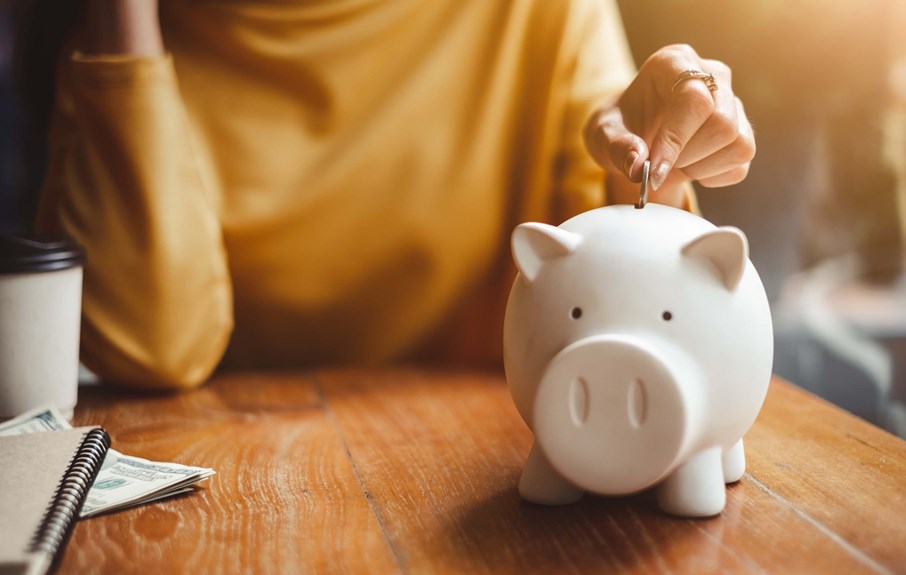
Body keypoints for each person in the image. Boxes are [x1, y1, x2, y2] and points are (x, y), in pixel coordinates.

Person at [18, 0, 754, 389]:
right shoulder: (127, 42)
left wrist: (650, 170)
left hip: (486, 475)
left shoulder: (535, 11)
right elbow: (148, 348)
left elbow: (619, 296)